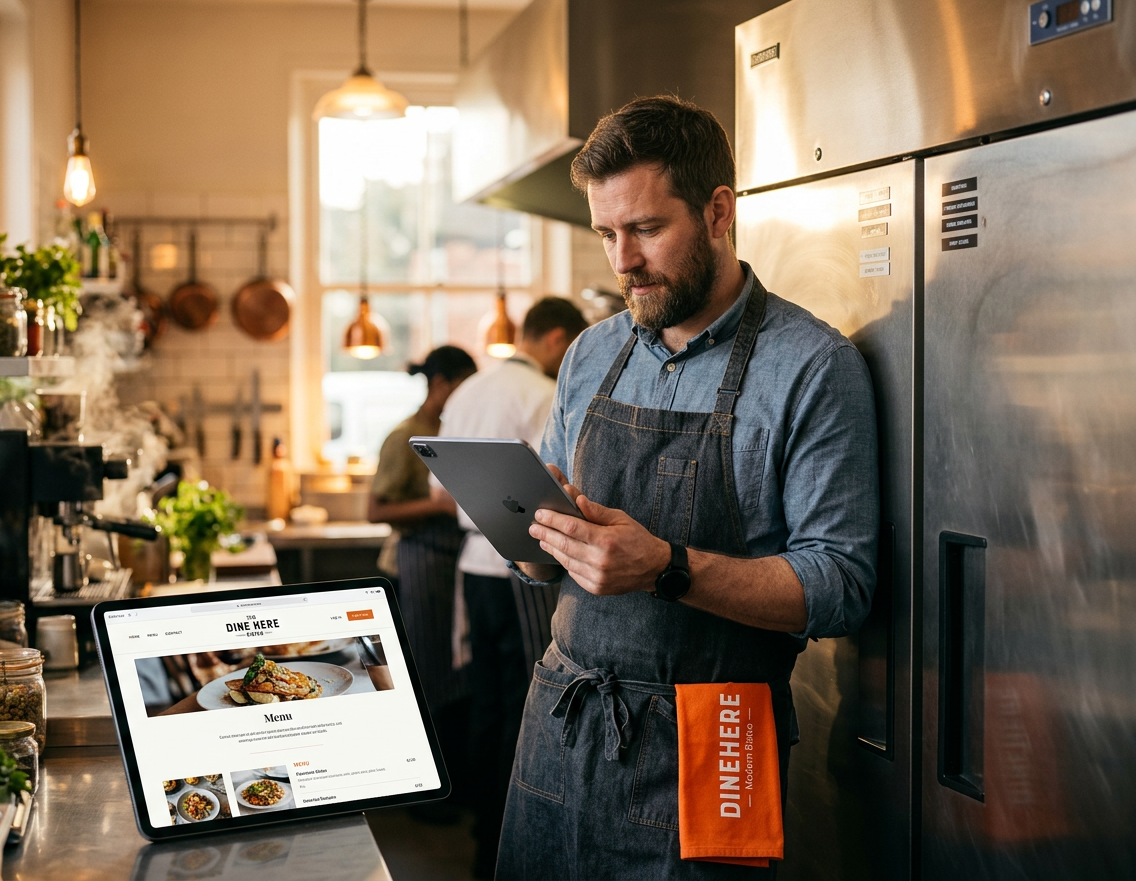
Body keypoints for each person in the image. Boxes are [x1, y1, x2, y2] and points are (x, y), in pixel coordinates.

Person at [496, 96, 879, 879]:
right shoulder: (591, 353)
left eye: (644, 229)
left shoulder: (812, 367)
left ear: (717, 211)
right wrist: (533, 540)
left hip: (717, 740)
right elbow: (545, 548)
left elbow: (842, 585)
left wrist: (666, 567)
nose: (622, 262)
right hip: (564, 723)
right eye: (606, 234)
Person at [432, 297, 588, 879]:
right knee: (527, 703)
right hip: (521, 562)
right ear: (554, 341)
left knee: (488, 697)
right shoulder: (539, 394)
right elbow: (562, 480)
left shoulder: (471, 388)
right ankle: (509, 833)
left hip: (474, 564)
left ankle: (482, 831)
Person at [367, 344, 476, 807]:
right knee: (426, 678)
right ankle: (424, 797)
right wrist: (437, 505)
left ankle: (449, 790)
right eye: (462, 387)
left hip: (450, 564)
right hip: (416, 566)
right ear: (440, 384)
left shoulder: (456, 429)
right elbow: (377, 509)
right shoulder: (406, 436)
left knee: (454, 675)